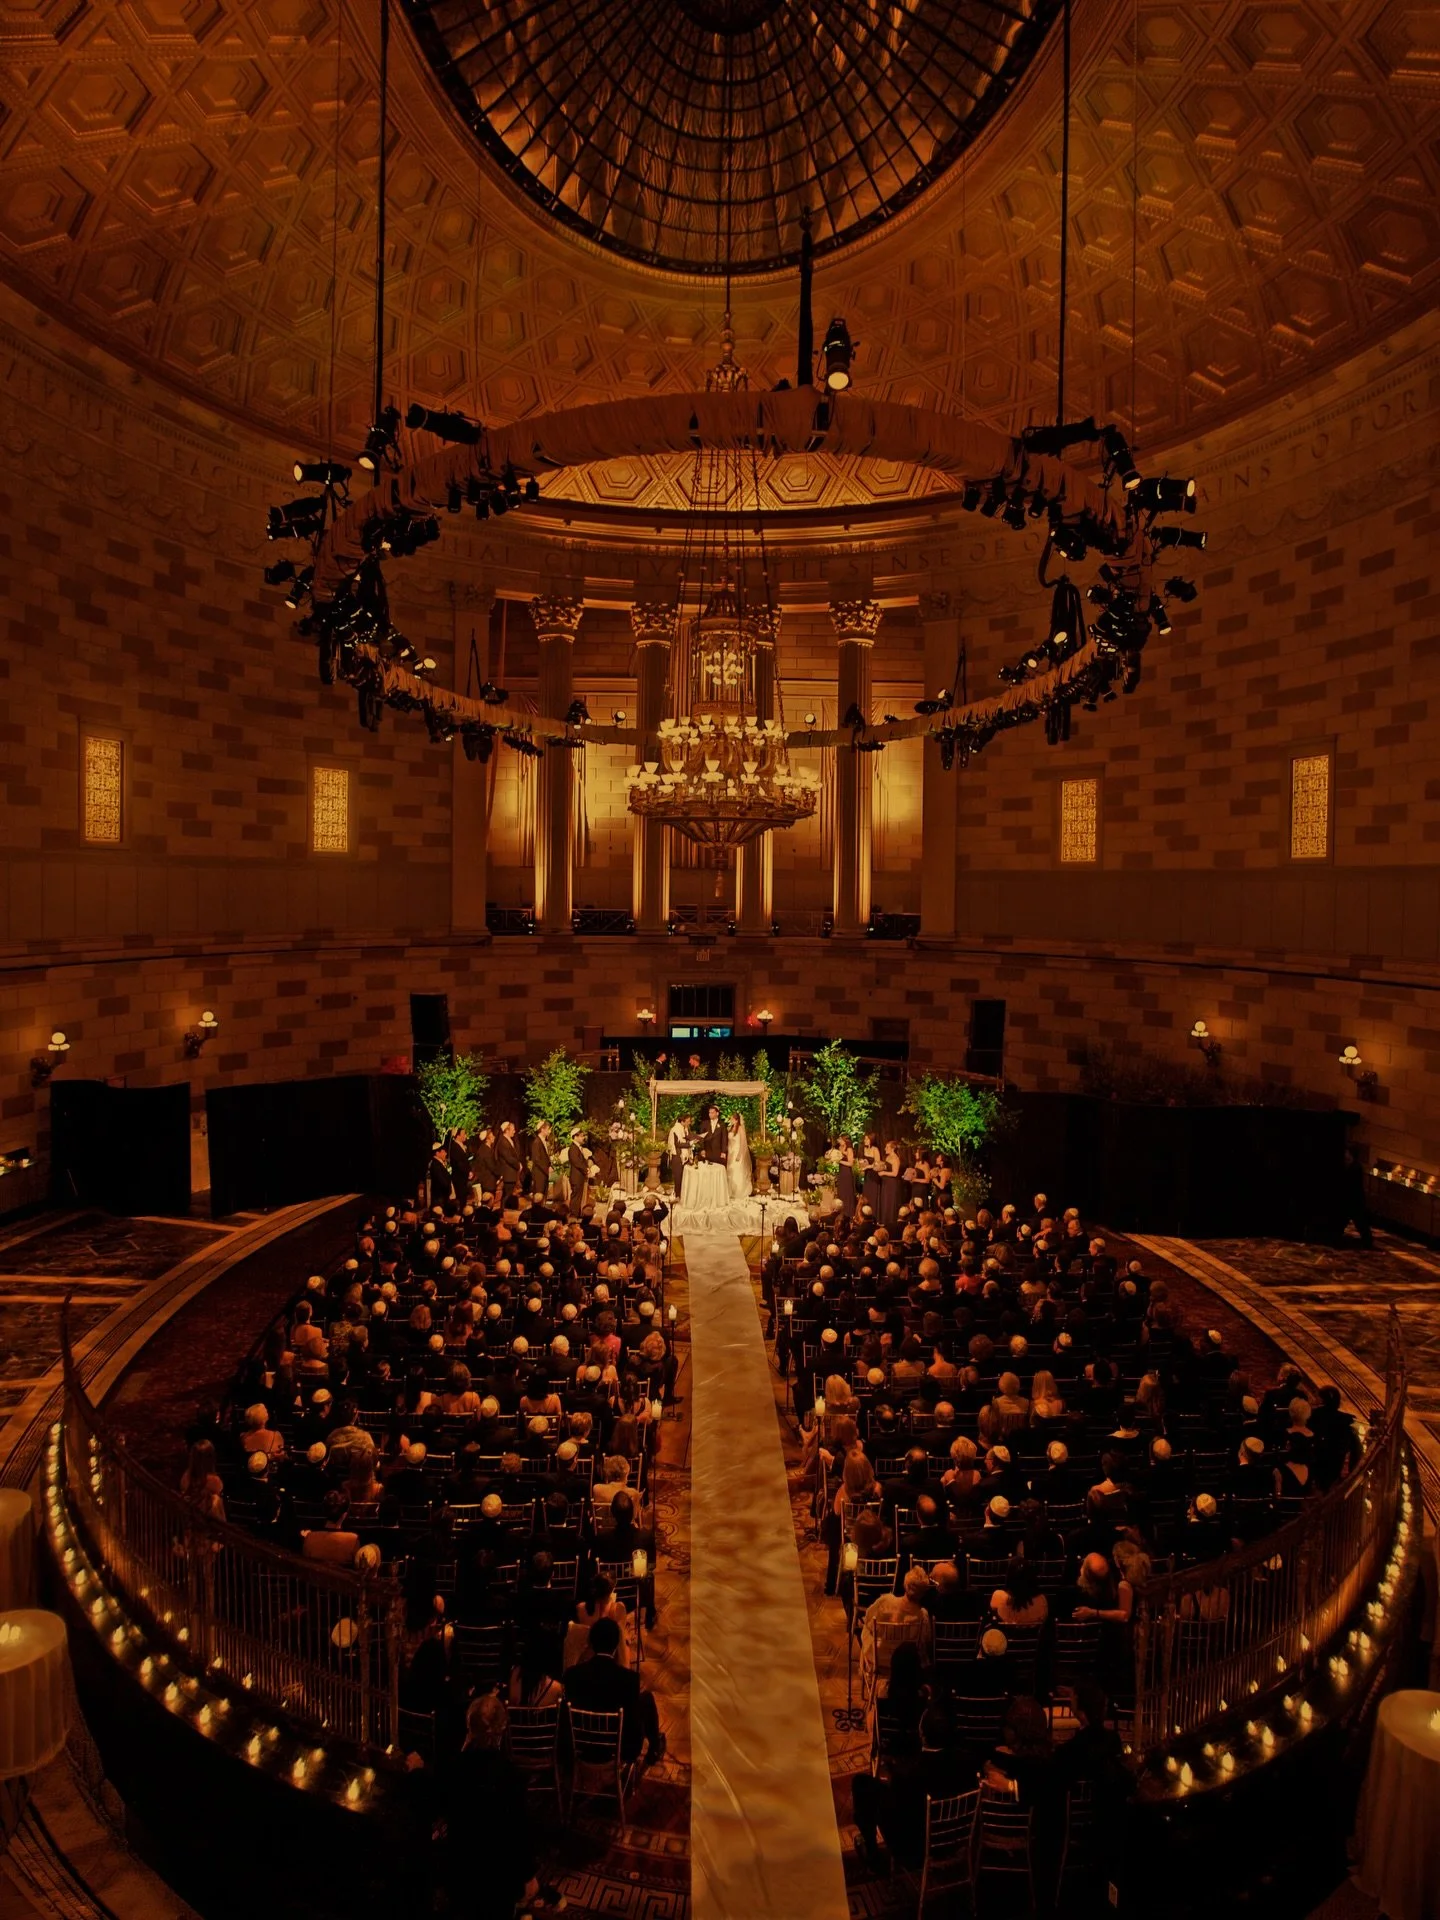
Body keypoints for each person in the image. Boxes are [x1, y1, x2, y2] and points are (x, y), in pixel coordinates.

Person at [444, 1694, 541, 1920]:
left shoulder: (454, 1767)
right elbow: (519, 1831)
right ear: (502, 1731)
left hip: (461, 1868)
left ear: (469, 1726)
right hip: (498, 1876)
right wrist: (528, 1875)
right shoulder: (510, 1775)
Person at [562, 1615, 665, 1765]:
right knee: (646, 1699)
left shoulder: (572, 1675)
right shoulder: (629, 1679)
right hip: (620, 1749)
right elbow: (632, 1718)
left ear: (590, 1643)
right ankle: (654, 1748)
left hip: (582, 1746)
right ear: (617, 1645)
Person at [726, 1109, 753, 1202]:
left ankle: (739, 1192)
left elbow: (743, 1143)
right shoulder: (730, 1128)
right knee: (730, 1171)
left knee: (736, 1171)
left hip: (737, 1152)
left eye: (732, 1119)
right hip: (730, 1152)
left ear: (736, 1120)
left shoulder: (740, 1129)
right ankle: (731, 1191)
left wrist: (739, 1154)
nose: (730, 1120)